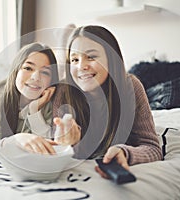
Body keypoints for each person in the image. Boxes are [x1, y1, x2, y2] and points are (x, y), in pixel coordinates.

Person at [52, 25, 162, 178]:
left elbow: (152, 148)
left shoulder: (130, 86)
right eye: (75, 59)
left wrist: (125, 153)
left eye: (91, 57)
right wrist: (69, 145)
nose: (81, 66)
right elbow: (54, 151)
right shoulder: (63, 91)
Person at [0, 42, 80, 158]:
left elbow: (46, 149)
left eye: (45, 72)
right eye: (28, 68)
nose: (35, 77)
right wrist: (14, 141)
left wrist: (34, 111)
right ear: (15, 71)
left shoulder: (52, 103)